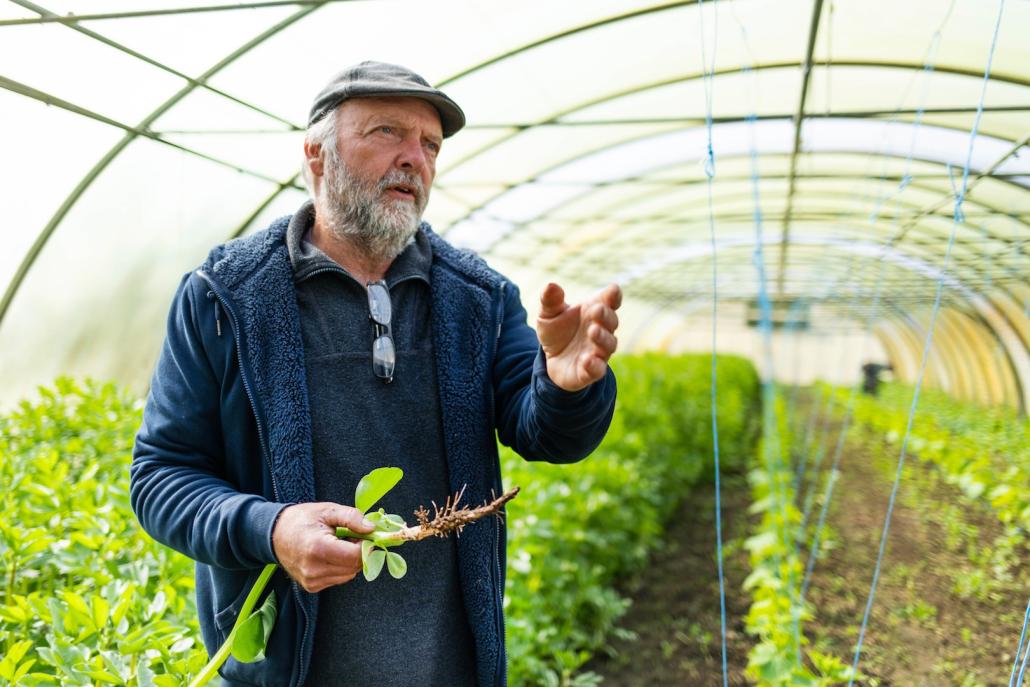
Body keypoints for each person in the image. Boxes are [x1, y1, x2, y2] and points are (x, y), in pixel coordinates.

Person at [130, 61, 621, 687]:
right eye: (387, 132)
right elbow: (160, 477)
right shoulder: (225, 297)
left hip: (450, 669)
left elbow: (547, 434)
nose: (415, 158)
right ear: (316, 156)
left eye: (431, 145)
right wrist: (271, 528)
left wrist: (564, 384)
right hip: (289, 673)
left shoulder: (477, 296)